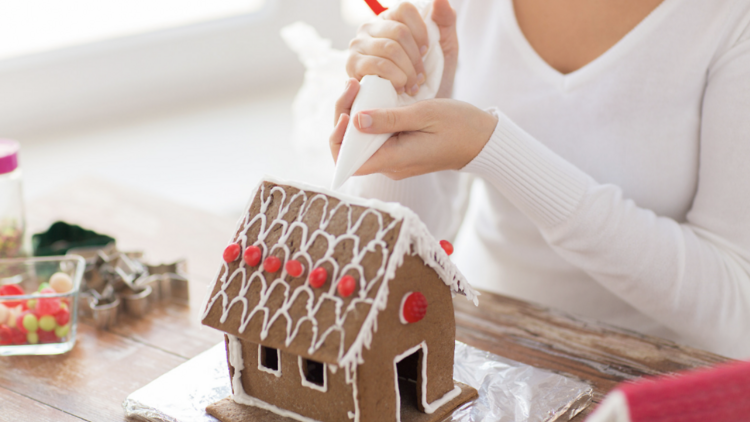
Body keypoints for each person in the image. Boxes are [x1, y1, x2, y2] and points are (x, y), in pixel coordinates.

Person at [328, 0, 750, 359]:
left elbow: (736, 314)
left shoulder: (731, 18)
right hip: (482, 350)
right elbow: (392, 265)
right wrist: (397, 120)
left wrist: (495, 149)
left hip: (652, 374)